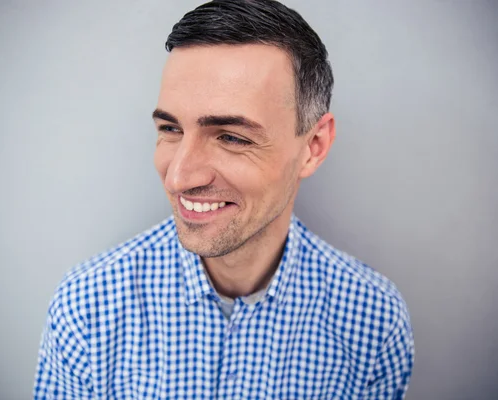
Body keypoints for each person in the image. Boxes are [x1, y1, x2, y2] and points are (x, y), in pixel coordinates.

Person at [34, 0, 414, 398]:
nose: (179, 177)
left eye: (232, 137)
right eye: (170, 128)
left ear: (313, 147)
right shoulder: (86, 306)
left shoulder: (374, 322)